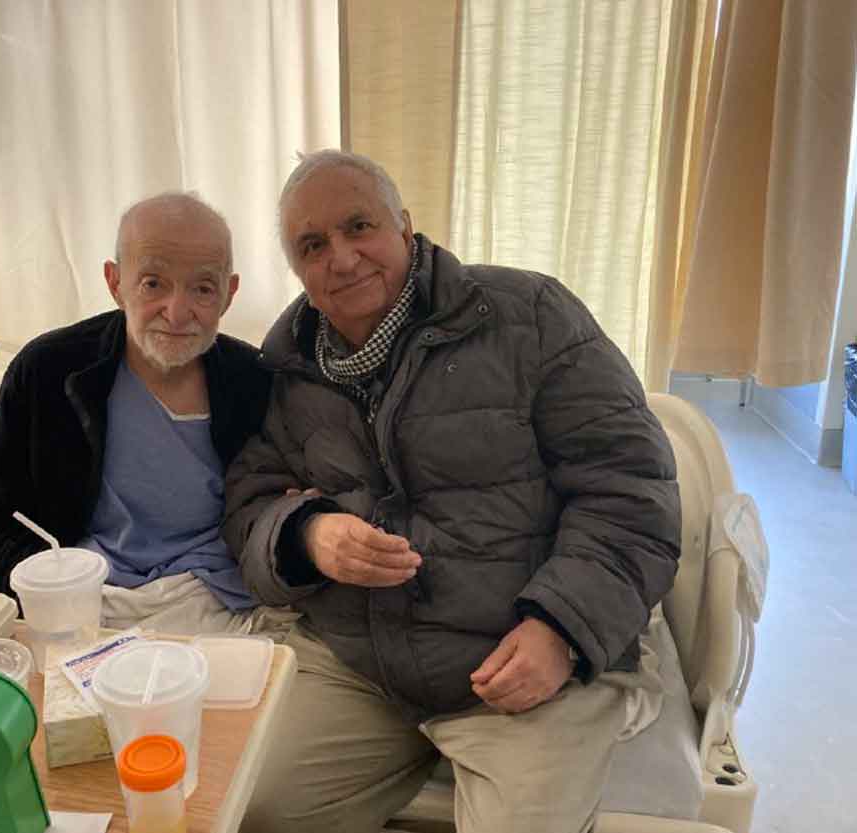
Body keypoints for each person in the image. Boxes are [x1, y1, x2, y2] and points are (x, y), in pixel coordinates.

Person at [224, 150, 681, 833]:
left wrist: (561, 629)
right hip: (362, 664)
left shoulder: (532, 316)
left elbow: (632, 488)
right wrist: (307, 534)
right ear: (295, 268)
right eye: (312, 245)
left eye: (359, 226)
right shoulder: (289, 365)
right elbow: (248, 501)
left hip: (519, 658)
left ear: (405, 227)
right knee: (242, 809)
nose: (342, 258)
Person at [0, 192, 274, 634]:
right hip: (86, 600)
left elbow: (276, 513)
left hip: (221, 595)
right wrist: (48, 590)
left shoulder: (255, 383)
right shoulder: (46, 373)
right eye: (153, 283)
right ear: (115, 283)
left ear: (229, 294)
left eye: (203, 288)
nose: (177, 313)